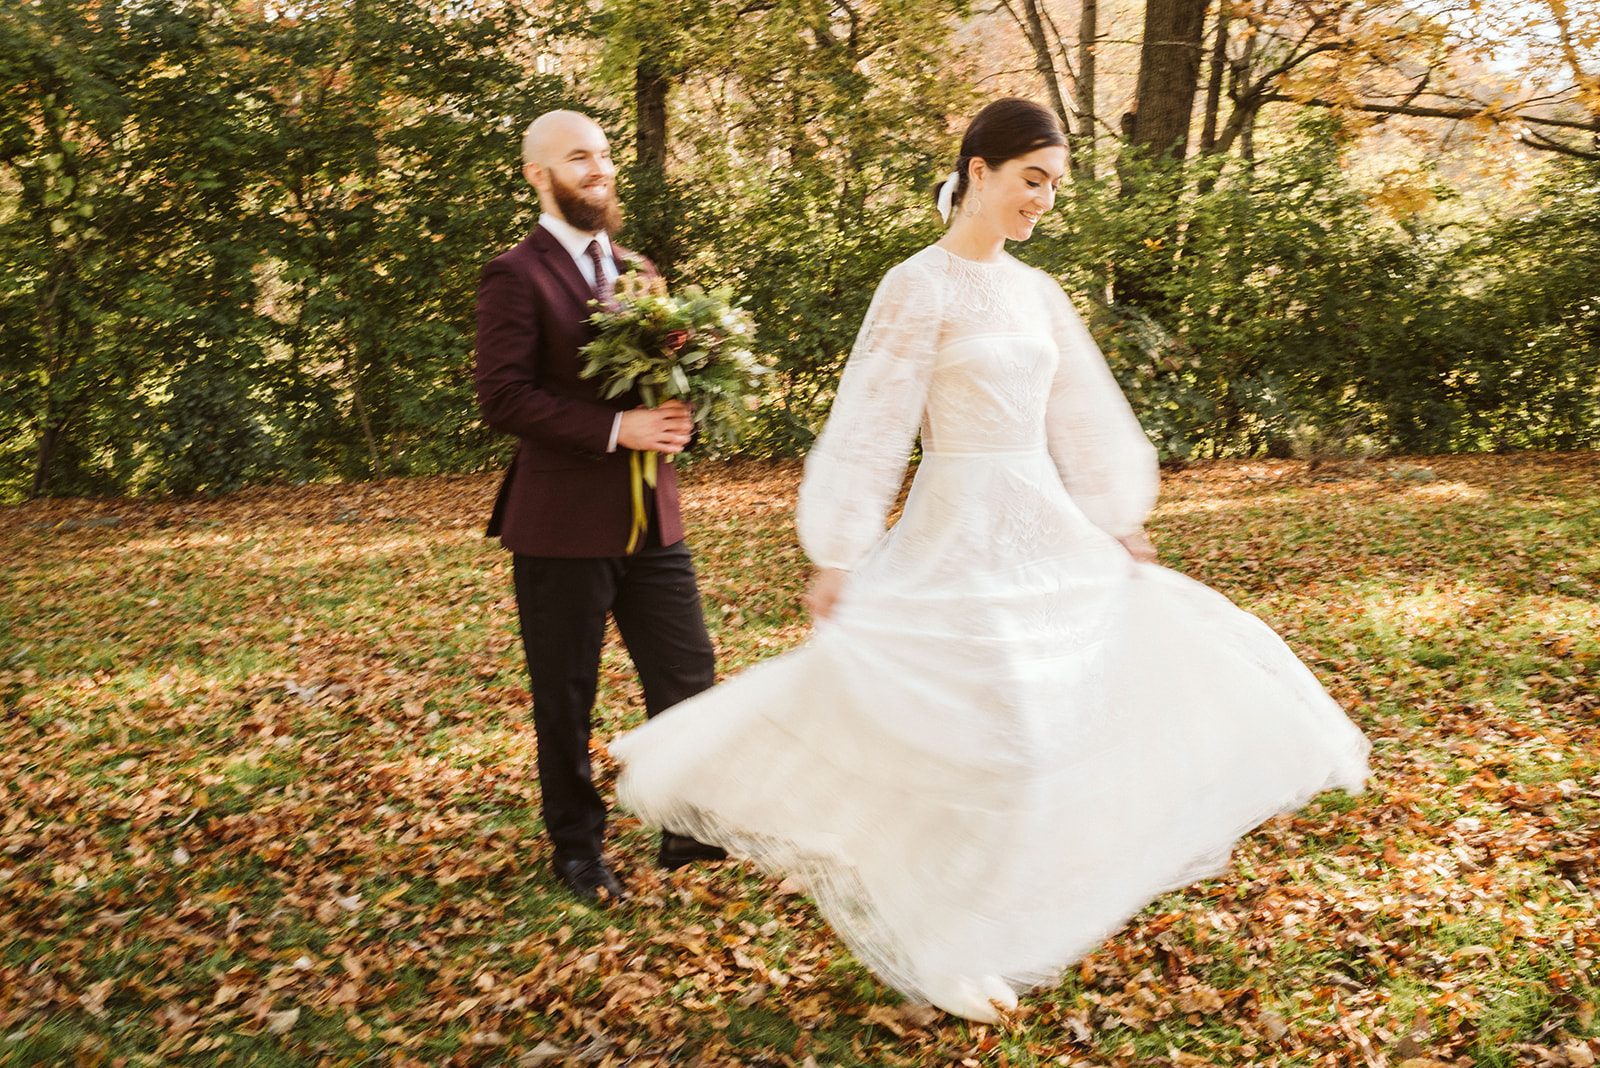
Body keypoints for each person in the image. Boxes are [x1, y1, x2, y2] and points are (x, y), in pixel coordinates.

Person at [609, 98, 1370, 1019]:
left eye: (1053, 184)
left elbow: (1082, 409)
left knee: (1055, 733)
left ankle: (976, 932)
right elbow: (873, 419)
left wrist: (1116, 514)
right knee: (986, 737)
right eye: (1031, 179)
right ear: (978, 172)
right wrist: (840, 547)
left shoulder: (1037, 292)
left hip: (1043, 526)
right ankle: (944, 940)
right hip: (955, 529)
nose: (1043, 200)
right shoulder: (916, 286)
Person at [475, 110, 726, 904]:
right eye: (578, 158)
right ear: (538, 175)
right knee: (567, 695)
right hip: (560, 523)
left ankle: (684, 825)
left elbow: (662, 379)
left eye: (605, 155)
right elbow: (504, 397)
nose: (598, 169)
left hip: (654, 517)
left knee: (687, 674)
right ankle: (577, 849)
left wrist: (688, 405)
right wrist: (619, 427)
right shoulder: (514, 275)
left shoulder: (639, 269)